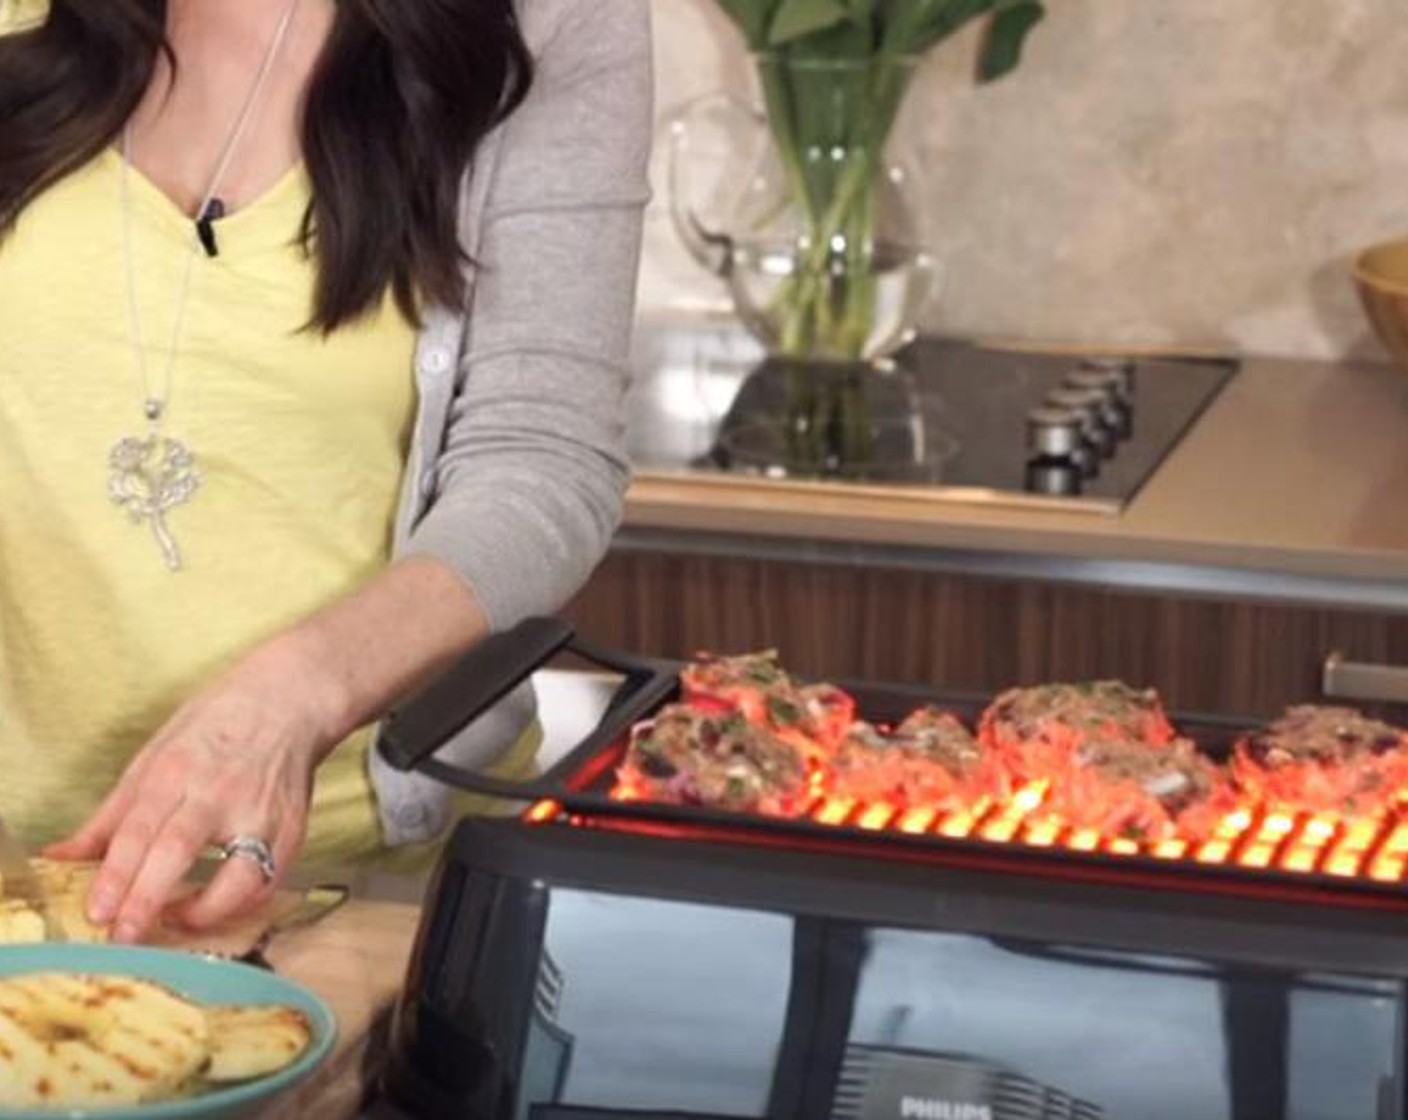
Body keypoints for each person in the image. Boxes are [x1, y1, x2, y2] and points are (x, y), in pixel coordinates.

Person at [0, 0, 652, 943]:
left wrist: (290, 700)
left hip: (372, 897)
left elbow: (542, 458)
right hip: (18, 879)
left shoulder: (553, 21)